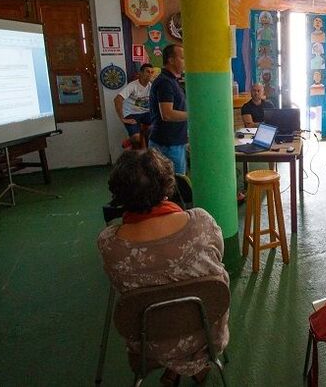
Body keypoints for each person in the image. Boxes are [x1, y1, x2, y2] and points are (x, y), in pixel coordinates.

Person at [98, 150, 229, 383]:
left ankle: (175, 367)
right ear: (167, 184)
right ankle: (193, 365)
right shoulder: (201, 223)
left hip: (151, 344)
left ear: (119, 194)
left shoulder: (110, 244)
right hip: (205, 334)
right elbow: (219, 255)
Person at [149, 44, 189, 175]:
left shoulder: (172, 80)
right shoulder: (165, 82)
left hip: (173, 141)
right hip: (168, 144)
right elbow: (167, 114)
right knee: (175, 185)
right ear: (171, 60)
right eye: (182, 58)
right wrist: (194, 115)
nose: (185, 61)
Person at [114, 63, 154, 147]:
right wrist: (122, 118)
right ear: (141, 73)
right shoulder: (133, 86)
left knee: (161, 128)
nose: (150, 74)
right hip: (131, 113)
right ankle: (128, 142)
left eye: (151, 72)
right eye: (147, 72)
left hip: (146, 113)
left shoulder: (152, 86)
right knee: (137, 138)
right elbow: (117, 99)